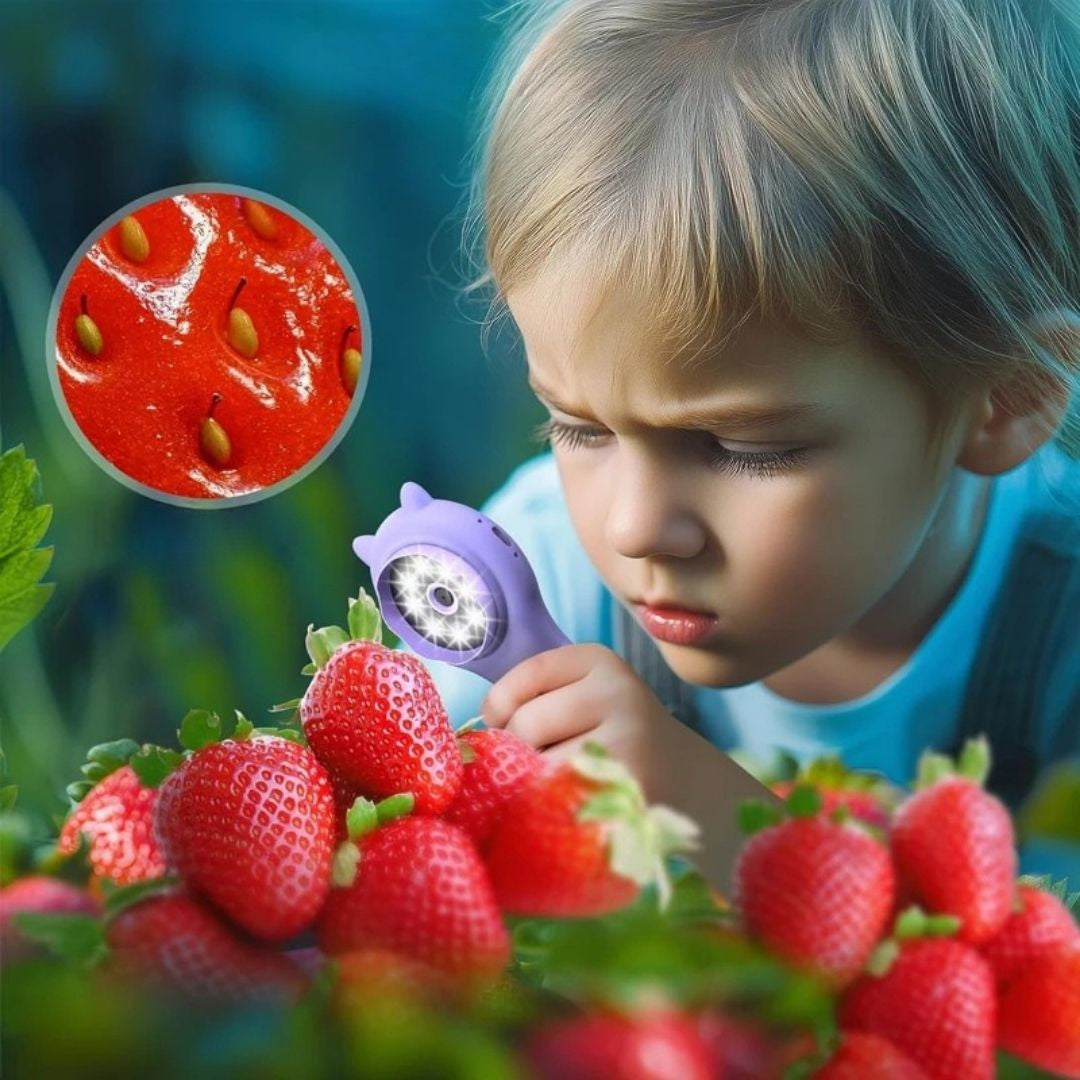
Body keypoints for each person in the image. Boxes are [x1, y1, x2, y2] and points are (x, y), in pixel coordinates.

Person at [426, 0, 1080, 887]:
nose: (633, 527)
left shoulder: (1059, 635)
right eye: (580, 427)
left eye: (739, 448)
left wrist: (733, 833)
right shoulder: (531, 582)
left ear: (1007, 398)